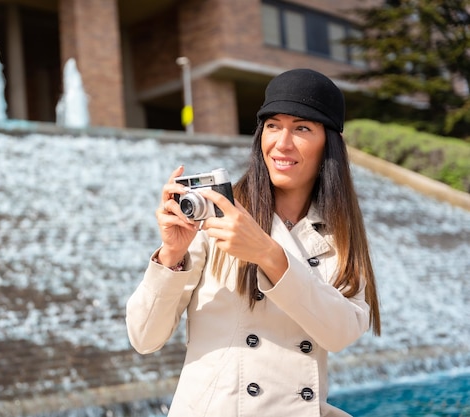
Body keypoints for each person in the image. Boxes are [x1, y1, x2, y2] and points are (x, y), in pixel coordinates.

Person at [126, 68, 381, 417]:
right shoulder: (217, 214)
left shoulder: (339, 233)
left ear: (329, 142)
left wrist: (267, 254)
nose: (282, 143)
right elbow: (144, 338)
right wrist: (171, 254)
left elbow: (340, 333)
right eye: (273, 125)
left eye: (302, 128)